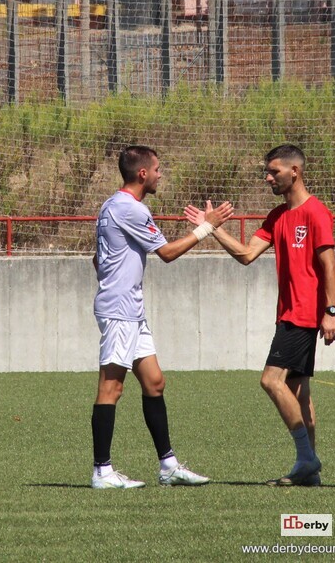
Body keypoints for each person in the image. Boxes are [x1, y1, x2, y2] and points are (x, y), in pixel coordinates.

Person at [184, 144, 335, 486]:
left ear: (295, 172)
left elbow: (329, 265)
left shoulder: (316, 213)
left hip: (302, 315)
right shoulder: (277, 216)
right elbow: (246, 254)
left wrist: (330, 312)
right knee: (299, 390)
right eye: (267, 172)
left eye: (274, 172)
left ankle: (306, 459)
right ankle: (308, 474)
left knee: (271, 380)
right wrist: (211, 228)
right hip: (288, 314)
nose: (268, 178)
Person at [91, 145, 233, 489]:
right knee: (111, 387)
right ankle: (102, 471)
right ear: (142, 174)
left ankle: (168, 466)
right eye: (157, 169)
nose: (160, 175)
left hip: (129, 309)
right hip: (120, 311)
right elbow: (167, 253)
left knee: (154, 382)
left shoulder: (111, 205)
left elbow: (97, 260)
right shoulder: (132, 210)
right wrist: (207, 228)